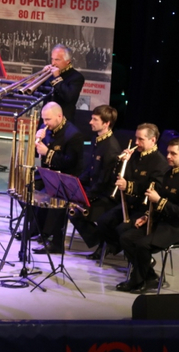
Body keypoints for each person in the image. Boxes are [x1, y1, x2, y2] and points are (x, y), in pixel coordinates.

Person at [115, 138, 179, 293]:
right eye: (168, 152)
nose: (168, 156)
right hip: (162, 222)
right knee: (126, 238)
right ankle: (150, 276)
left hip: (178, 228)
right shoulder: (168, 174)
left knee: (142, 244)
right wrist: (147, 216)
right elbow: (156, 202)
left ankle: (137, 281)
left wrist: (159, 200)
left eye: (173, 154)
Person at [91, 123, 169, 260]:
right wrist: (122, 162)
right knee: (103, 221)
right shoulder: (134, 156)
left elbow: (153, 189)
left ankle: (136, 257)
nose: (136, 142)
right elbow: (119, 176)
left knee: (122, 230)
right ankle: (116, 246)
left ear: (153, 140)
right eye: (136, 138)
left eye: (141, 139)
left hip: (143, 208)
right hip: (127, 203)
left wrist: (128, 186)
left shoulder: (160, 163)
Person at [32, 102, 84, 254]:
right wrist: (38, 141)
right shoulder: (47, 130)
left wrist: (47, 152)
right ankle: (36, 229)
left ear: (59, 117)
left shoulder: (74, 135)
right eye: (43, 119)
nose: (44, 123)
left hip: (66, 178)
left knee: (54, 196)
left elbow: (70, 162)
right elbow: (39, 155)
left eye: (48, 119)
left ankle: (54, 241)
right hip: (49, 173)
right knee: (26, 189)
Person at [69, 105, 122, 249]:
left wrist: (84, 197)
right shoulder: (98, 140)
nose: (90, 122)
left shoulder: (111, 148)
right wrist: (76, 184)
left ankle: (107, 243)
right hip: (95, 190)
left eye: (95, 119)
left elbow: (103, 182)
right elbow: (90, 169)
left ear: (106, 123)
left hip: (104, 197)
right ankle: (102, 242)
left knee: (74, 213)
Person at [43, 44, 85, 123]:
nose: (53, 63)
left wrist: (57, 78)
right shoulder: (50, 74)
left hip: (64, 122)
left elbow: (69, 97)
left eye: (57, 60)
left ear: (68, 61)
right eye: (52, 59)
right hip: (46, 121)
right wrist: (43, 75)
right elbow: (39, 92)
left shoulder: (77, 77)